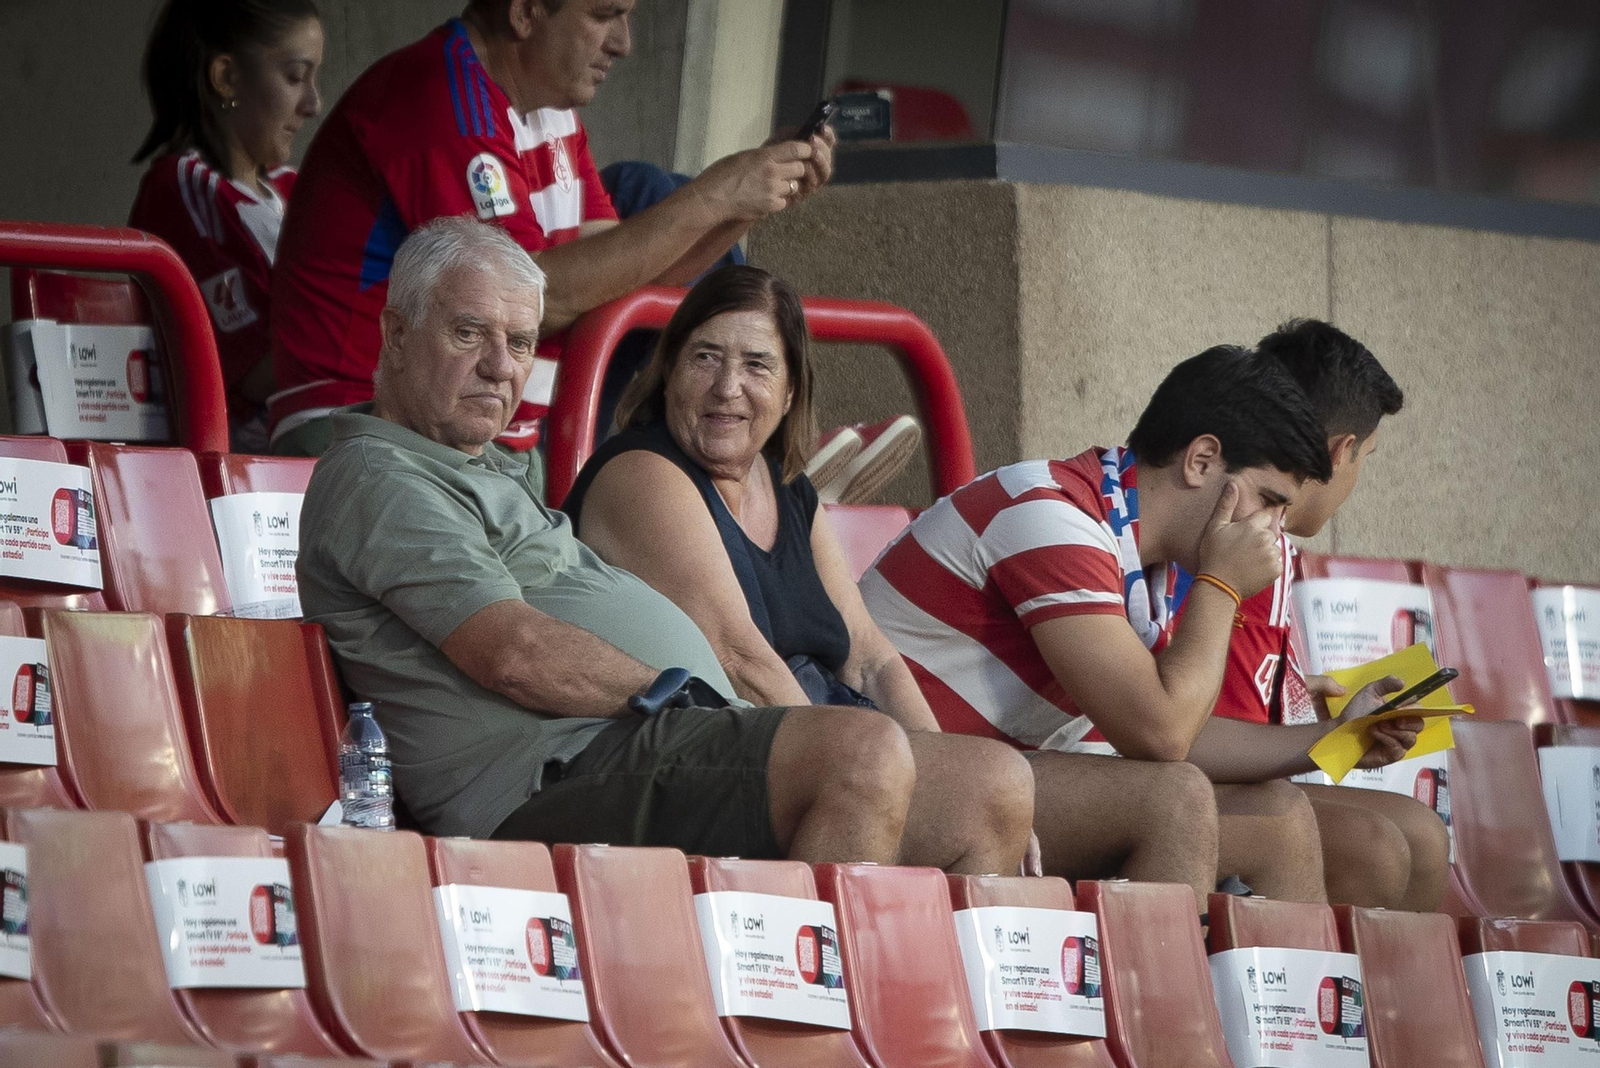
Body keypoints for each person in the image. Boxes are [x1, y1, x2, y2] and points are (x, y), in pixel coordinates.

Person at [296, 217, 1033, 873]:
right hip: (543, 778)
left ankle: (906, 1021)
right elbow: (513, 655)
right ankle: (787, 1019)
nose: (501, 366)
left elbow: (870, 658)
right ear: (396, 334)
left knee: (990, 786)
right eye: (469, 334)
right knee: (859, 754)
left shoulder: (478, 466)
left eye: (519, 343)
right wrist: (684, 699)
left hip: (622, 749)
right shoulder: (380, 475)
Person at [564, 265, 1218, 896]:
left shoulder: (788, 486)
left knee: (988, 788)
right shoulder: (644, 474)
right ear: (670, 370)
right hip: (697, 747)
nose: (727, 386)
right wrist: (876, 762)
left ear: (791, 390)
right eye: (704, 358)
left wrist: (940, 764)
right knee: (982, 789)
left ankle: (933, 998)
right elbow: (737, 657)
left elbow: (872, 657)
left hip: (806, 739)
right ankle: (836, 994)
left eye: (757, 365)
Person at [861, 345, 1413, 907]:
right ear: (1200, 460)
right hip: (907, 776)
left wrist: (1337, 737)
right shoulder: (1050, 516)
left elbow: (1180, 730)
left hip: (1002, 772)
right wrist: (1221, 586)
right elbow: (1163, 734)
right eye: (1269, 502)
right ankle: (1156, 994)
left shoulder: (1148, 557)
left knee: (1279, 812)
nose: (1273, 533)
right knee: (1174, 801)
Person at [269, 0, 834, 457]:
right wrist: (716, 192)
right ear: (525, 12)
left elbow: (631, 273)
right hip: (361, 431)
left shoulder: (550, 109)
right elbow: (532, 297)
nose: (623, 43)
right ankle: (751, 468)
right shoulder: (438, 93)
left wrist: (751, 197)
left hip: (481, 436)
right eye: (603, 15)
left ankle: (759, 476)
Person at [1193, 319, 1449, 910]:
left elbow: (1221, 688)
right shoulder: (1239, 539)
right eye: (1367, 458)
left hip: (1231, 775)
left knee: (1424, 833)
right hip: (1191, 790)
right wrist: (1331, 734)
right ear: (1340, 452)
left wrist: (1297, 698)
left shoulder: (1271, 539)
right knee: (1379, 848)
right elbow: (1183, 725)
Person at [129, 0, 324, 452]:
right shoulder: (187, 187)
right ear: (227, 77)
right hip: (249, 459)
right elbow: (259, 373)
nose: (314, 103)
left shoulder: (297, 188)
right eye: (296, 76)